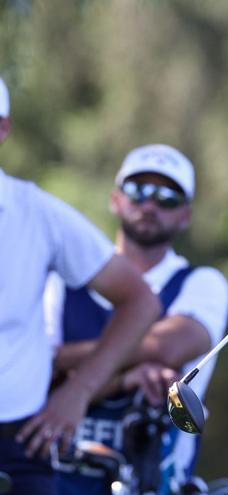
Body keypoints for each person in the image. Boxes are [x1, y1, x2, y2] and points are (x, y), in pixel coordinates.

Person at [0, 76, 161, 495]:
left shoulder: (37, 214)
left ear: (2, 129)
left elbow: (139, 301)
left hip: (16, 443)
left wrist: (80, 389)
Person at [43, 144, 228, 495]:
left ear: (185, 214)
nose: (149, 205)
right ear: (116, 200)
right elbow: (37, 370)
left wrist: (70, 366)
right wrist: (128, 375)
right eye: (138, 191)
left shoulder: (203, 282)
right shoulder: (61, 283)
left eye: (167, 197)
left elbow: (169, 345)